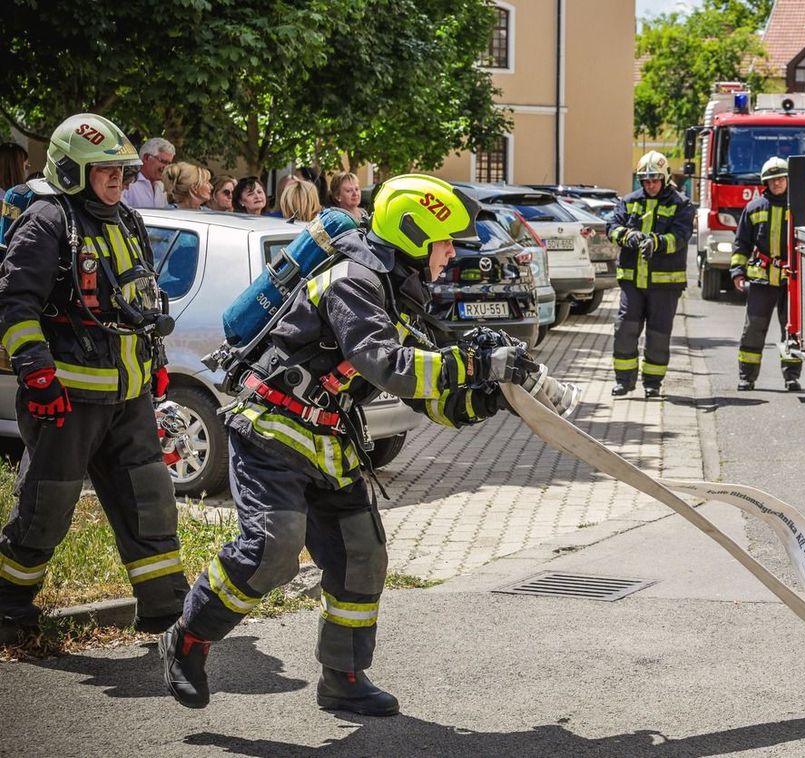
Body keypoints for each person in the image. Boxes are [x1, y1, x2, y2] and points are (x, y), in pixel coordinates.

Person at [159, 174, 548, 716]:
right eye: (444, 244)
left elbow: (428, 396)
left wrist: (492, 396)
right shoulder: (352, 279)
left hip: (329, 440)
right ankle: (188, 638)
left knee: (362, 555)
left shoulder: (402, 296)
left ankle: (342, 676)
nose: (449, 256)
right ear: (414, 235)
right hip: (274, 429)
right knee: (273, 549)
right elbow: (385, 365)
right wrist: (476, 362)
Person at [0, 114, 185, 640]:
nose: (117, 181)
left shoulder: (126, 219)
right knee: (46, 509)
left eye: (122, 172)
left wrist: (157, 366)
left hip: (129, 399)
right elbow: (14, 306)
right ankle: (8, 605)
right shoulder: (46, 220)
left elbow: (143, 297)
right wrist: (38, 376)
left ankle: (166, 611)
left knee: (150, 502)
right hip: (67, 401)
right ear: (71, 170)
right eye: (104, 171)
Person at [604, 151, 692, 398]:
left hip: (665, 284)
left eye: (654, 180)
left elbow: (681, 236)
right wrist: (627, 236)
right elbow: (611, 227)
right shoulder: (629, 201)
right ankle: (624, 381)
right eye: (646, 180)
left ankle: (652, 383)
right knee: (624, 330)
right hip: (632, 281)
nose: (650, 185)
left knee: (658, 335)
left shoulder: (681, 204)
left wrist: (658, 243)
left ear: (664, 179)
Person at [730, 157, 802, 392]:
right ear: (765, 183)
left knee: (791, 330)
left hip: (791, 280)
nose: (778, 183)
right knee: (753, 329)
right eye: (773, 180)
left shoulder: (800, 208)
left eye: (781, 178)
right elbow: (741, 244)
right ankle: (747, 377)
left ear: (788, 180)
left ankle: (791, 377)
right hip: (761, 279)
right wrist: (738, 272)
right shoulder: (754, 208)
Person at [123, 137, 175, 209]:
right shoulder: (127, 185)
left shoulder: (161, 186)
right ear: (146, 158)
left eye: (169, 163)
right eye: (163, 162)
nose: (166, 167)